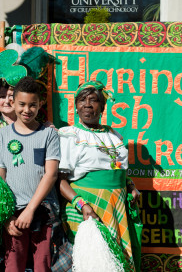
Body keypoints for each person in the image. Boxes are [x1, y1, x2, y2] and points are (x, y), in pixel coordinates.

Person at [58, 80, 140, 271]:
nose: (87, 105)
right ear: (76, 107)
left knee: (116, 262)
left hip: (116, 207)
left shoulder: (113, 136)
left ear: (102, 107)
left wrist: (131, 187)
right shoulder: (71, 136)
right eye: (82, 101)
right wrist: (82, 205)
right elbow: (60, 181)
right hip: (88, 207)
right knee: (93, 261)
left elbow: (118, 169)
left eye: (93, 100)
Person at [0, 76, 61, 272]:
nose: (27, 110)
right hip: (13, 215)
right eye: (22, 104)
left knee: (42, 265)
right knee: (13, 265)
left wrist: (30, 210)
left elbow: (50, 174)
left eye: (32, 105)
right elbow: (1, 177)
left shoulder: (49, 134)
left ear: (40, 103)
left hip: (42, 212)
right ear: (12, 102)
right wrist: (7, 217)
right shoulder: (2, 135)